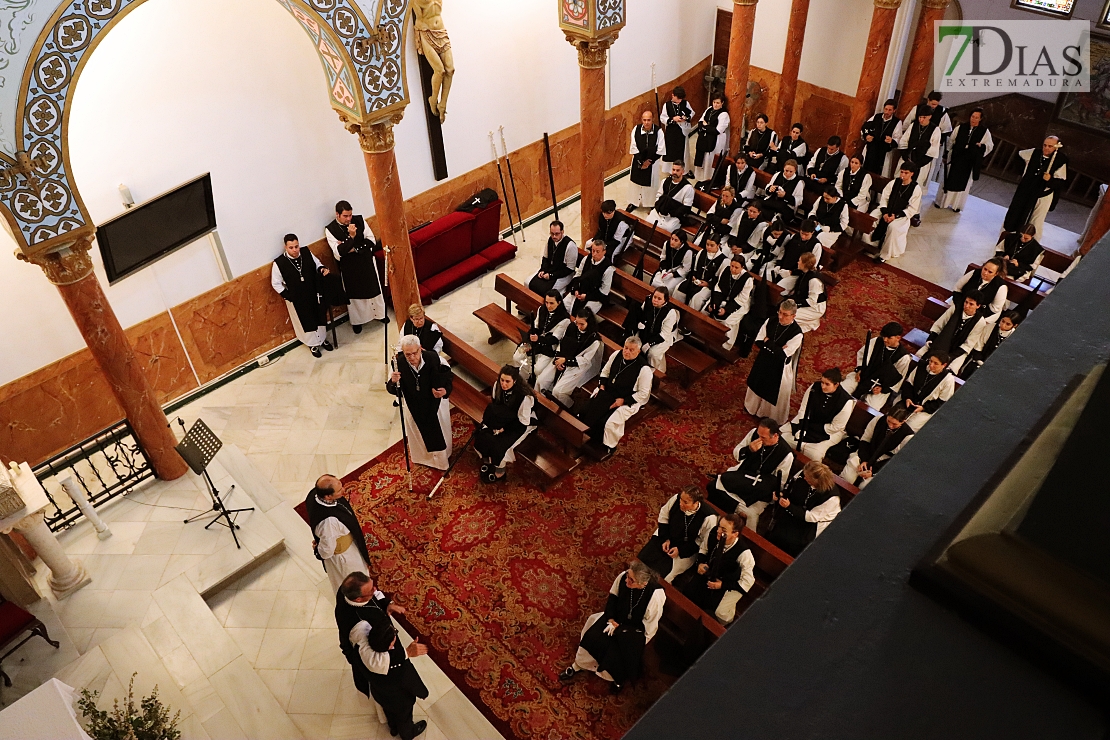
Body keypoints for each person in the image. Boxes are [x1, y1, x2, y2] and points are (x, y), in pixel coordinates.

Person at [336, 572, 428, 740]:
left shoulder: (344, 593)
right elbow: (375, 663)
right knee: (403, 706)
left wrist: (387, 604)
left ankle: (393, 726)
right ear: (358, 600)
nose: (376, 590)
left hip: (382, 684)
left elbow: (375, 597)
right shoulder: (361, 628)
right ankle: (407, 733)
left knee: (388, 703)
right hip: (388, 677)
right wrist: (407, 652)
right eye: (371, 590)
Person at [559, 562, 666, 694]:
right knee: (593, 638)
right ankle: (577, 666)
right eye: (628, 576)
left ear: (643, 584)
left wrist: (623, 631)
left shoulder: (656, 596)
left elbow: (649, 626)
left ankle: (617, 681)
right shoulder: (623, 577)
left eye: (631, 580)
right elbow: (613, 598)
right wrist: (610, 619)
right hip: (614, 619)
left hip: (632, 633)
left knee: (618, 657)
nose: (626, 579)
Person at [706, 418, 794, 531]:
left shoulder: (786, 455)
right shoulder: (754, 433)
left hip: (760, 489)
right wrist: (748, 450)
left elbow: (779, 482)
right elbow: (736, 453)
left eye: (763, 437)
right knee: (714, 486)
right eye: (759, 435)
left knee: (750, 515)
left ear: (775, 436)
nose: (759, 439)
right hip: (741, 475)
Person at [577, 336, 654, 458]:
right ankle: (585, 437)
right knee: (586, 410)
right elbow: (605, 372)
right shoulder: (617, 354)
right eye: (626, 348)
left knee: (608, 422)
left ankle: (609, 446)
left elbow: (643, 393)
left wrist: (622, 401)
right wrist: (602, 385)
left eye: (631, 350)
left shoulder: (644, 370)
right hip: (607, 391)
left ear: (638, 351)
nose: (627, 352)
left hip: (627, 399)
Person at [387, 335, 453, 470]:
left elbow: (448, 377)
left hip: (435, 405)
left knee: (438, 432)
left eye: (414, 353)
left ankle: (442, 462)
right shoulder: (398, 364)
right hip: (414, 406)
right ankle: (424, 459)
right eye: (407, 354)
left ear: (420, 348)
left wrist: (444, 391)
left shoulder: (434, 358)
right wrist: (393, 382)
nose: (412, 357)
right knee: (419, 435)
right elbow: (393, 390)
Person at [681, 513, 755, 624]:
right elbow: (704, 549)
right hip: (710, 574)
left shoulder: (744, 554)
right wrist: (701, 563)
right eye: (719, 526)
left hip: (727, 583)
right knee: (689, 593)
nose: (718, 531)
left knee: (714, 612)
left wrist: (723, 585)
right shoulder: (713, 533)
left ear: (735, 534)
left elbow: (747, 581)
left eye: (724, 530)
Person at [325, 200, 386, 333]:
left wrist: (353, 248)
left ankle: (380, 314)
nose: (349, 219)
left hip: (365, 261)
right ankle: (359, 321)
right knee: (355, 296)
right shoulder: (330, 230)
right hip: (349, 268)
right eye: (345, 216)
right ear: (337, 214)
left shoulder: (359, 220)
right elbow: (338, 252)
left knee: (373, 289)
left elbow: (371, 240)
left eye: (350, 215)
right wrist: (351, 238)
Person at [305, 474, 372, 594]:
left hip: (343, 541)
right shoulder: (329, 522)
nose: (344, 490)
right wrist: (318, 550)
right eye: (339, 490)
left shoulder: (314, 494)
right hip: (344, 556)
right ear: (328, 496)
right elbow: (327, 550)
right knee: (356, 584)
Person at [638, 485, 715, 582]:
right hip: (667, 536)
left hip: (686, 549)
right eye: (681, 500)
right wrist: (665, 539)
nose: (680, 503)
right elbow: (664, 516)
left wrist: (680, 550)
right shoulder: (676, 498)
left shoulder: (709, 518)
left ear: (696, 503)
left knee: (663, 575)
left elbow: (702, 542)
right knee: (644, 559)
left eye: (685, 502)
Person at [272, 234, 333, 357]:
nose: (295, 250)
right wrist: (289, 296)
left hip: (313, 292)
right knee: (304, 321)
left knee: (318, 317)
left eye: (296, 246)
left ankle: (322, 339)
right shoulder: (279, 263)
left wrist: (322, 269)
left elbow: (317, 264)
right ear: (285, 247)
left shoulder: (306, 252)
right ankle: (313, 345)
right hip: (297, 298)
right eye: (291, 248)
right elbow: (276, 283)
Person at [745, 300, 804, 424]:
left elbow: (783, 355)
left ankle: (769, 415)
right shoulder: (771, 321)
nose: (781, 317)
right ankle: (753, 408)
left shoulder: (797, 334)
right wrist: (774, 347)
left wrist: (768, 342)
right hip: (764, 359)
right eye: (780, 312)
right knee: (758, 383)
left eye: (785, 315)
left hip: (780, 367)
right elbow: (759, 341)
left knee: (775, 393)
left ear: (793, 316)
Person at [764, 461, 840, 557]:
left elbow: (812, 517)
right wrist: (782, 494)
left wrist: (789, 507)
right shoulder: (803, 474)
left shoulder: (832, 498)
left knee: (796, 542)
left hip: (814, 522)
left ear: (817, 481)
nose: (804, 478)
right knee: (779, 529)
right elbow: (790, 487)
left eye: (807, 478)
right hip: (796, 509)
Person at [474, 365, 536, 483]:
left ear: (515, 381)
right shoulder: (497, 386)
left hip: (520, 425)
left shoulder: (525, 397)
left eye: (507, 381)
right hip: (503, 418)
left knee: (501, 445)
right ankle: (487, 461)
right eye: (502, 380)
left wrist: (504, 429)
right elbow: (496, 404)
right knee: (482, 434)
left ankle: (500, 471)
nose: (503, 384)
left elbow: (523, 421)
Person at [536, 308, 604, 408]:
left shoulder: (594, 340)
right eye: (577, 322)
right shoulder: (572, 327)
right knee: (541, 380)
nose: (578, 327)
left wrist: (566, 361)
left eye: (582, 324)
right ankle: (538, 404)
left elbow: (585, 360)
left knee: (558, 391)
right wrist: (558, 360)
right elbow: (562, 343)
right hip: (562, 358)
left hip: (578, 365)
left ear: (589, 323)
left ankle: (565, 409)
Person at [781, 369, 854, 462]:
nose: (823, 386)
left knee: (815, 455)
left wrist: (811, 427)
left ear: (836, 385)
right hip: (807, 421)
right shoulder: (814, 387)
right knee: (784, 439)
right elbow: (804, 408)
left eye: (827, 384)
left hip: (827, 431)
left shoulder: (846, 402)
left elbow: (836, 427)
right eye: (822, 382)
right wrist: (804, 425)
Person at [1003, 136, 1068, 240]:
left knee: (1036, 221)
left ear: (1056, 147)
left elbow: (1060, 182)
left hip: (1043, 194)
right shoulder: (1034, 153)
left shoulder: (1060, 159)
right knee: (1016, 214)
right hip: (1027, 190)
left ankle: (1031, 244)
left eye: (1050, 146)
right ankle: (1010, 239)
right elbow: (1019, 156)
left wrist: (1050, 180)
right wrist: (1024, 171)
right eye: (1045, 145)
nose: (1046, 148)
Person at [842, 322, 911, 411]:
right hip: (864, 375)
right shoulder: (876, 341)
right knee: (842, 390)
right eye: (884, 336)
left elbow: (898, 379)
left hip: (880, 386)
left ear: (898, 338)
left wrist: (882, 388)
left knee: (870, 408)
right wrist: (860, 369)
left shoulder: (904, 357)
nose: (885, 340)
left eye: (889, 337)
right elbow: (862, 355)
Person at [840, 406, 914, 488]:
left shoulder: (908, 436)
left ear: (903, 421)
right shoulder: (878, 420)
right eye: (888, 421)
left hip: (881, 465)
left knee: (864, 487)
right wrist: (864, 459)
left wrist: (874, 471)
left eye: (894, 424)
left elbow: (896, 459)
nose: (890, 426)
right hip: (865, 454)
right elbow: (865, 439)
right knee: (847, 478)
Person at [918, 292, 990, 375]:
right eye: (966, 302)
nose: (966, 306)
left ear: (978, 306)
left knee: (950, 372)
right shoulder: (955, 309)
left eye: (971, 304)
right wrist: (931, 339)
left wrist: (950, 357)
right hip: (941, 342)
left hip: (957, 351)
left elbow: (968, 344)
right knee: (920, 356)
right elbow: (939, 325)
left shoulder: (980, 322)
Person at [936, 108, 992, 212]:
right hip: (956, 158)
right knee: (949, 178)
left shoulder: (984, 131)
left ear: (981, 119)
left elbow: (989, 146)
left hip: (969, 162)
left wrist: (982, 146)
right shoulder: (961, 127)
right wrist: (946, 154)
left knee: (964, 183)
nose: (973, 119)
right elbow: (951, 140)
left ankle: (956, 205)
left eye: (976, 118)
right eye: (972, 117)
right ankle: (942, 202)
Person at [865, 163, 922, 263]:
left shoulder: (916, 189)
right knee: (872, 218)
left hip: (901, 215)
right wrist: (885, 213)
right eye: (901, 172)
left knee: (893, 227)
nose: (902, 175)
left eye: (906, 173)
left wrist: (895, 216)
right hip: (887, 210)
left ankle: (884, 255)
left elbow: (912, 209)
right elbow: (884, 198)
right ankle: (867, 243)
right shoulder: (893, 183)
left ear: (912, 174)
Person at [512, 290, 570, 380]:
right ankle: (523, 379)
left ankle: (530, 378)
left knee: (537, 369)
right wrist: (529, 339)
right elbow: (535, 326)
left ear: (559, 303)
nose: (548, 306)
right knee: (517, 357)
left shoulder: (564, 319)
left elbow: (554, 339)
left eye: (551, 303)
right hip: (535, 341)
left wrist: (538, 339)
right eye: (546, 302)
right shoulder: (542, 309)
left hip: (549, 347)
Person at [624, 287, 680, 373]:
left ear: (665, 300)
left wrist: (649, 344)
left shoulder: (670, 312)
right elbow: (642, 313)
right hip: (647, 330)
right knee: (634, 343)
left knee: (653, 353)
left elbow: (664, 334)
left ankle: (654, 372)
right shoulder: (648, 300)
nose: (655, 300)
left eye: (659, 299)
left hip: (664, 336)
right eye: (655, 297)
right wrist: (640, 323)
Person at [703, 256, 753, 351]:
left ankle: (726, 345)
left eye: (736, 267)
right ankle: (705, 335)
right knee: (707, 309)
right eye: (732, 266)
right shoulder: (726, 270)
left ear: (742, 267)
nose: (733, 269)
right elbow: (718, 288)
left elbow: (742, 299)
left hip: (741, 303)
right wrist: (715, 303)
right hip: (724, 298)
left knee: (728, 321)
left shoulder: (748, 279)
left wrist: (726, 310)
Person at [897, 351, 956, 431]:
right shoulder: (921, 366)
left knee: (908, 427)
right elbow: (909, 384)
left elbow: (942, 402)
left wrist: (924, 408)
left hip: (925, 410)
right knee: (895, 416)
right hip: (908, 401)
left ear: (944, 365)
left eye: (936, 363)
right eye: (930, 361)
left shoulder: (948, 379)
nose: (931, 365)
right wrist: (907, 397)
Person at [960, 310, 1021, 380]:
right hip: (979, 361)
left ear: (1015, 325)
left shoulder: (1015, 337)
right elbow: (978, 346)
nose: (1003, 325)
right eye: (1003, 321)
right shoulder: (990, 327)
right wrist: (981, 363)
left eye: (1008, 324)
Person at [676, 233, 728, 311]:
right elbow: (695, 269)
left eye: (712, 245)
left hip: (709, 287)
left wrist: (708, 284)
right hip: (696, 281)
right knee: (679, 289)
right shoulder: (701, 252)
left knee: (697, 298)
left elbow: (720, 280)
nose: (709, 247)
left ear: (718, 245)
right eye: (707, 244)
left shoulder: (724, 260)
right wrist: (693, 276)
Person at [564, 239, 614, 315]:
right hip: (581, 290)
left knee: (582, 315)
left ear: (604, 252)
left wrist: (587, 296)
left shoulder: (608, 268)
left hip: (596, 297)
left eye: (597, 252)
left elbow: (604, 291)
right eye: (593, 250)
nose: (594, 254)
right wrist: (576, 288)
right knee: (563, 307)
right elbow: (578, 275)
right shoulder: (586, 259)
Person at [528, 221, 577, 296]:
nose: (554, 236)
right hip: (550, 270)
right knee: (531, 284)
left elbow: (569, 269)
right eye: (552, 233)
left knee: (549, 293)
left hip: (564, 275)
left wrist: (551, 275)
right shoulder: (550, 240)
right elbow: (545, 258)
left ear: (562, 232)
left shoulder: (570, 246)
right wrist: (543, 270)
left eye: (557, 234)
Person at [628, 111, 665, 210]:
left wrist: (648, 162)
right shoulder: (636, 129)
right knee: (635, 183)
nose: (646, 122)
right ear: (641, 120)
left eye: (649, 120)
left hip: (652, 163)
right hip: (638, 160)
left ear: (652, 120)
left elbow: (661, 149)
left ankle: (651, 203)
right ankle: (634, 202)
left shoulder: (659, 132)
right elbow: (633, 147)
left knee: (652, 184)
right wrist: (640, 162)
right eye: (644, 120)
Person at [767, 220, 821, 284]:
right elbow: (784, 251)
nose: (803, 236)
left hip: (797, 274)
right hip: (784, 267)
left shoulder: (816, 245)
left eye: (806, 235)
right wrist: (779, 264)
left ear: (812, 232)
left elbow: (811, 266)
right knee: (767, 276)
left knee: (780, 286)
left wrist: (791, 272)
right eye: (802, 233)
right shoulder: (795, 236)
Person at [648, 162, 695, 234]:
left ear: (683, 171)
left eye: (677, 170)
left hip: (674, 216)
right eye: (673, 170)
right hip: (659, 212)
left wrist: (671, 214)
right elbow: (659, 195)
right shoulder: (665, 181)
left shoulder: (688, 188)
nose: (674, 172)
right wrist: (659, 207)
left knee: (668, 229)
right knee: (648, 221)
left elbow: (687, 207)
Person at [897, 110, 941, 186]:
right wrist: (906, 157)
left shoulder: (935, 130)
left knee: (916, 184)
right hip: (907, 159)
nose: (921, 120)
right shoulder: (913, 125)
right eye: (920, 117)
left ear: (930, 116)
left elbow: (933, 150)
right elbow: (904, 141)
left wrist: (917, 164)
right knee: (899, 182)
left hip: (921, 163)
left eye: (924, 117)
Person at [693, 94, 731, 183]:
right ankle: (700, 177)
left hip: (716, 140)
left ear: (722, 103)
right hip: (704, 137)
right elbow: (700, 122)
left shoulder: (724, 114)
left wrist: (705, 127)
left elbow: (718, 130)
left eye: (718, 103)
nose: (715, 105)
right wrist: (707, 127)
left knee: (710, 159)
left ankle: (708, 178)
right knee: (702, 157)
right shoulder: (709, 109)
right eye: (714, 102)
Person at [861, 99, 903, 177]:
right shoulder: (877, 117)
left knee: (878, 174)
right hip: (871, 148)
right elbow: (865, 127)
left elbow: (898, 138)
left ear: (894, 110)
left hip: (883, 151)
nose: (887, 112)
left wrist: (891, 141)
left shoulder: (897, 122)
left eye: (890, 110)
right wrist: (866, 136)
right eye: (886, 109)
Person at [660, 86, 695, 174]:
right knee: (671, 151)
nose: (679, 101)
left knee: (683, 152)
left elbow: (692, 112)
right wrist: (673, 119)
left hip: (682, 132)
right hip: (671, 132)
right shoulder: (667, 105)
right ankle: (671, 171)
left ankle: (684, 171)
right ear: (673, 95)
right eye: (678, 99)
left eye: (681, 99)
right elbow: (663, 118)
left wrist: (686, 117)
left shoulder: (685, 103)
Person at [762, 159, 805, 223]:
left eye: (791, 171)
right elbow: (768, 187)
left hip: (786, 206)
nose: (788, 173)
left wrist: (785, 196)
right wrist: (770, 188)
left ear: (795, 171)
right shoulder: (778, 174)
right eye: (786, 170)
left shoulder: (799, 182)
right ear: (783, 168)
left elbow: (799, 200)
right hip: (773, 201)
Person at [809, 185, 849, 250]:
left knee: (821, 237)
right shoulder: (820, 199)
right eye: (824, 197)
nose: (825, 200)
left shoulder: (843, 205)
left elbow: (844, 224)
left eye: (827, 198)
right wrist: (814, 220)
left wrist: (830, 228)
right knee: (808, 232)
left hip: (832, 231)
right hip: (818, 226)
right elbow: (813, 212)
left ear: (835, 197)